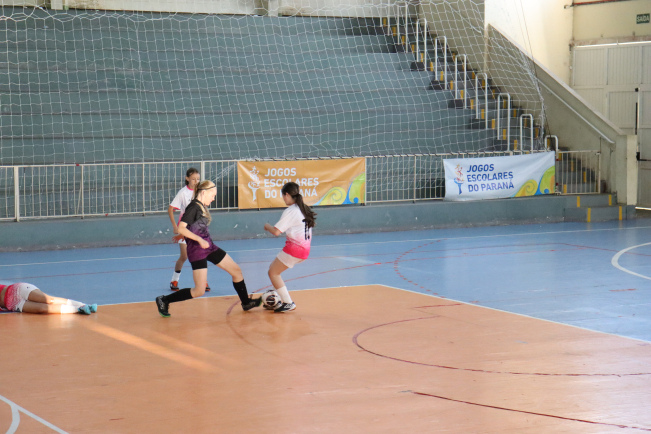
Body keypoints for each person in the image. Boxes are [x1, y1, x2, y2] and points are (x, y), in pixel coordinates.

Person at [156, 180, 261, 317]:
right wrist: (199, 239)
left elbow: (191, 227)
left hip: (209, 247)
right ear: (204, 193)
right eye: (213, 195)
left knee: (236, 271)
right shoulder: (193, 207)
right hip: (197, 251)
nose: (214, 198)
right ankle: (164, 300)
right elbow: (181, 227)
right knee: (199, 290)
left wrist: (196, 238)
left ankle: (246, 302)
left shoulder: (201, 207)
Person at [263, 182, 317, 313]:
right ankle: (278, 298)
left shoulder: (291, 211)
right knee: (274, 270)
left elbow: (276, 231)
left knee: (273, 273)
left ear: (287, 195)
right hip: (305, 250)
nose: (283, 199)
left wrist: (267, 226)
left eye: (283, 196)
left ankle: (288, 302)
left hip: (294, 249)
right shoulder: (303, 208)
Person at [168, 167, 210, 292]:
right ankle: (174, 280)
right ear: (187, 179)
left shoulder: (201, 192)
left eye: (198, 179)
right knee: (184, 255)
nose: (196, 181)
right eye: (193, 179)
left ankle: (203, 281)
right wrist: (175, 226)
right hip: (185, 228)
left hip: (197, 228)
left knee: (200, 255)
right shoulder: (183, 193)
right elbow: (170, 209)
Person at [0, 282, 96, 314]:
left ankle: (85, 305)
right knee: (42, 309)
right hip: (14, 304)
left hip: (17, 289)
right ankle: (79, 309)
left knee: (49, 300)